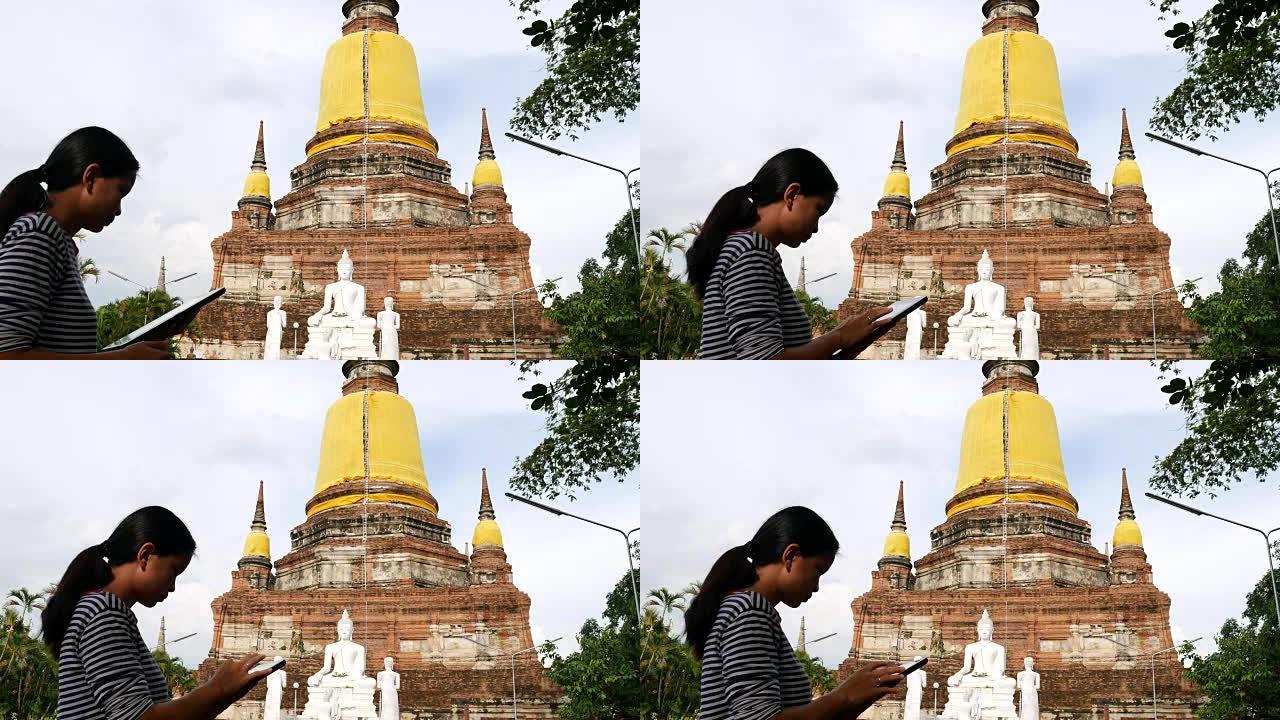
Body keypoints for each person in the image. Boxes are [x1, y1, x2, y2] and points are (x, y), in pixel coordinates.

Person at [41, 506, 273, 719]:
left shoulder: (101, 609)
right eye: (173, 571)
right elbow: (138, 717)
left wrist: (227, 693)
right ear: (145, 556)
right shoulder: (104, 613)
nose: (172, 586)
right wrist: (218, 688)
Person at [685, 506, 905, 719]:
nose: (817, 586)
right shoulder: (749, 613)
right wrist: (843, 696)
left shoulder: (747, 609)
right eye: (818, 570)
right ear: (791, 556)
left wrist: (853, 701)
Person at [686, 149, 891, 359]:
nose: (816, 228)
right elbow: (765, 361)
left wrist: (846, 344)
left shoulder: (743, 248)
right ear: (792, 195)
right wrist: (839, 337)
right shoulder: (750, 252)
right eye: (818, 211)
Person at [0, 127, 174, 359]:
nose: (120, 209)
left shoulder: (57, 242)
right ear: (90, 178)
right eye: (120, 192)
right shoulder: (39, 233)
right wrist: (121, 359)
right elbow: (7, 355)